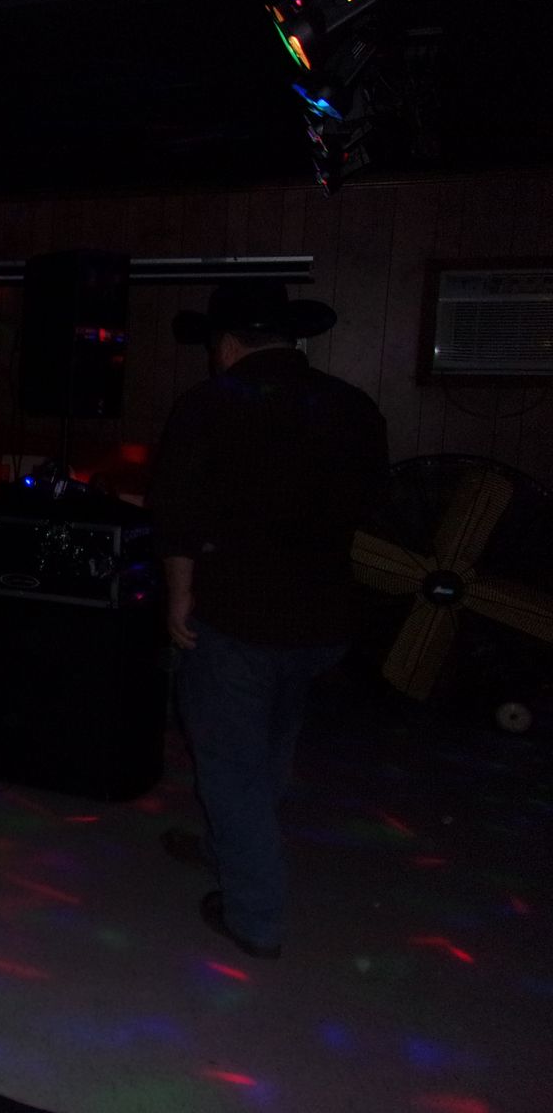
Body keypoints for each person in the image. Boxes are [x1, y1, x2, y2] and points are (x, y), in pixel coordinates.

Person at [150, 280, 388, 959]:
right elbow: (373, 504)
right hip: (322, 616)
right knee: (270, 747)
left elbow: (178, 516)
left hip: (238, 616)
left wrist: (179, 597)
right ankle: (230, 846)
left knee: (230, 765)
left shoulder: (208, 404)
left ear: (226, 345)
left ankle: (254, 916)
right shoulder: (352, 406)